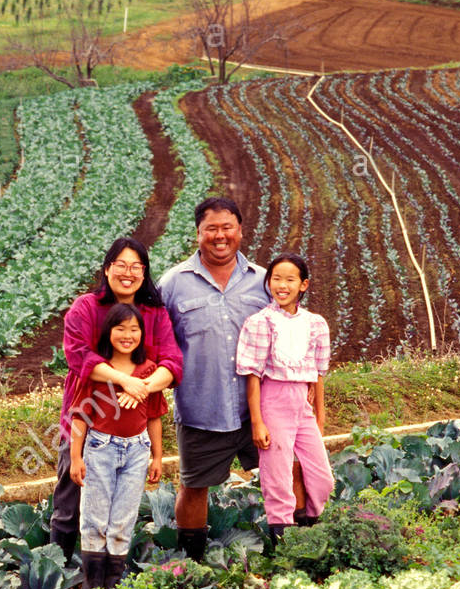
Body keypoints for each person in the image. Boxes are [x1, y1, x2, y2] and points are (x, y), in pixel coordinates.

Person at [52, 237, 183, 563]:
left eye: (136, 267)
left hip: (134, 427)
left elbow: (172, 362)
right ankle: (58, 571)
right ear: (107, 268)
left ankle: (104, 579)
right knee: (70, 495)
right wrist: (125, 380)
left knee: (120, 508)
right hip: (87, 415)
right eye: (120, 265)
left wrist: (144, 387)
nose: (128, 273)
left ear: (145, 272)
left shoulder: (155, 314)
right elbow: (78, 356)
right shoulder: (86, 308)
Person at [157, 197, 270, 562]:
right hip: (201, 408)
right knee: (193, 487)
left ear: (240, 231)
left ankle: (290, 547)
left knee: (284, 476)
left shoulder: (264, 281)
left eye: (227, 228)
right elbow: (160, 345)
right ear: (198, 234)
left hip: (260, 410)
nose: (220, 236)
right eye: (212, 229)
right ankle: (193, 561)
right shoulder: (173, 284)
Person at [236, 253, 333, 545]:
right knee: (277, 479)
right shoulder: (260, 322)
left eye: (290, 279)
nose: (282, 285)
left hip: (301, 405)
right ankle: (285, 545)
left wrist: (320, 414)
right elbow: (251, 375)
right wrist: (257, 422)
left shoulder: (315, 324)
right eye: (276, 278)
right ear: (268, 283)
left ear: (303, 285)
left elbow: (318, 375)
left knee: (322, 478)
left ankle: (310, 531)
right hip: (272, 403)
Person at [68, 304, 167, 589]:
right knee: (94, 519)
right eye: (120, 328)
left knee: (123, 520)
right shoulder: (100, 371)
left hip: (138, 451)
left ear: (142, 334)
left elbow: (154, 417)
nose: (127, 335)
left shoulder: (149, 371)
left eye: (134, 329)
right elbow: (80, 417)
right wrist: (76, 457)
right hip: (100, 448)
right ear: (108, 332)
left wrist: (157, 457)